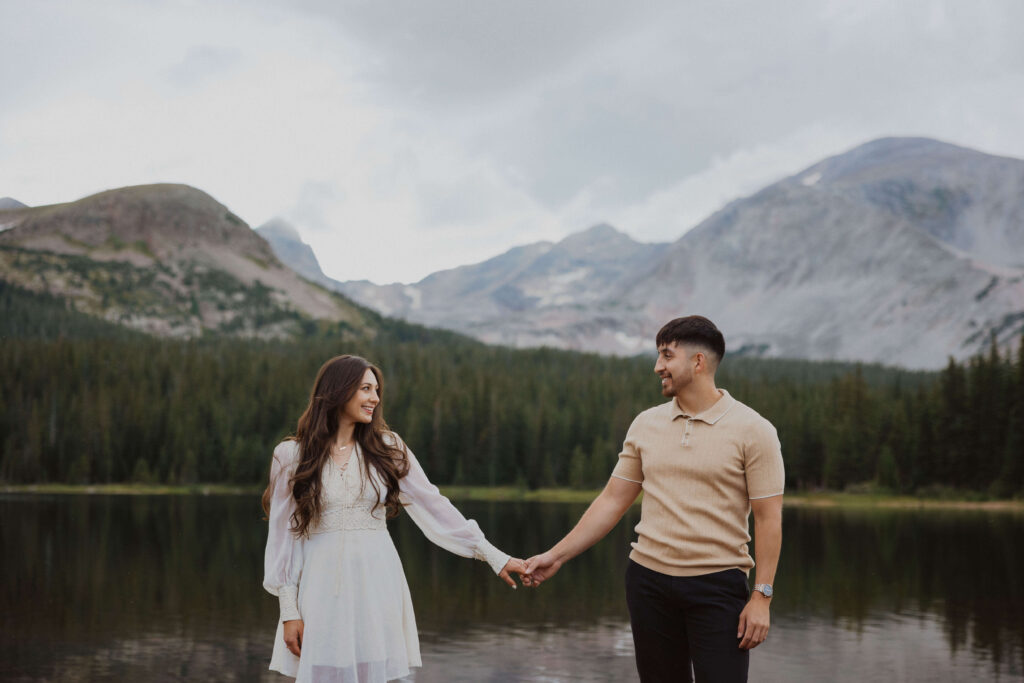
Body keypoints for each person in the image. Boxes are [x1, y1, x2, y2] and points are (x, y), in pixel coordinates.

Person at [522, 316, 784, 683]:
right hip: (648, 583)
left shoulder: (754, 430)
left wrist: (762, 598)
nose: (657, 366)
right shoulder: (646, 424)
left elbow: (769, 518)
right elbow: (613, 500)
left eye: (667, 355)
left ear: (698, 362)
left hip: (718, 586)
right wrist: (556, 555)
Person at [262, 354, 526, 683]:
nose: (375, 398)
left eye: (376, 390)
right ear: (337, 391)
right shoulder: (291, 455)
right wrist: (289, 610)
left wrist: (494, 556)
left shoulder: (388, 448)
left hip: (378, 581)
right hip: (319, 587)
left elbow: (434, 505)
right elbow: (283, 537)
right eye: (365, 389)